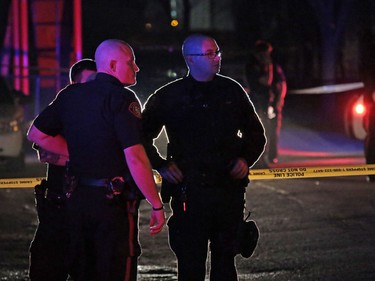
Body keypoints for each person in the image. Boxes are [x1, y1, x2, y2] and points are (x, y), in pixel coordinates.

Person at [27, 39, 166, 281]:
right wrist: (156, 204)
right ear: (113, 65)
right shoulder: (122, 98)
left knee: (85, 270)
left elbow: (36, 134)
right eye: (130, 62)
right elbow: (135, 157)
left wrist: (77, 152)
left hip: (76, 201)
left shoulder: (70, 95)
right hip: (112, 205)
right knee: (115, 269)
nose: (136, 68)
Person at [142, 34, 266, 281]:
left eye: (217, 52)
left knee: (225, 262)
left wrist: (245, 159)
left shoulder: (231, 90)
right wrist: (161, 165)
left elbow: (256, 134)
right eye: (209, 53)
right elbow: (139, 138)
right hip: (189, 192)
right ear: (190, 59)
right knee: (190, 264)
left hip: (227, 191)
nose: (217, 58)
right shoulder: (170, 96)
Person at [28, 58, 96, 281]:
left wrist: (63, 156)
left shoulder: (106, 110)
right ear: (73, 85)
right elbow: (41, 144)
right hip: (58, 209)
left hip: (92, 211)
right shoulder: (65, 106)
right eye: (89, 81)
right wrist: (78, 156)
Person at [245, 40, 287, 166]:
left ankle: (272, 156)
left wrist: (279, 101)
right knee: (262, 131)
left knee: (273, 130)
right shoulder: (253, 66)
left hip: (272, 103)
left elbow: (281, 83)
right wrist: (268, 67)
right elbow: (265, 81)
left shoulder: (274, 66)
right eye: (265, 53)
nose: (267, 56)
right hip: (259, 103)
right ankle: (261, 158)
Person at [360, 34, 375, 183]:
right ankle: (371, 172)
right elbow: (367, 75)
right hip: (372, 103)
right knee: (373, 135)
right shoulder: (370, 53)